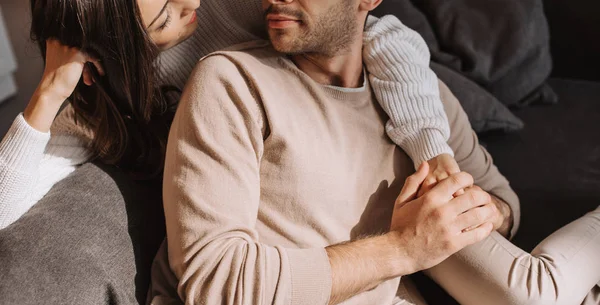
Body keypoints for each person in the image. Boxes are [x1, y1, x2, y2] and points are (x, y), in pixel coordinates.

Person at [136, 0, 600, 305]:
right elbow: (218, 289)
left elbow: (501, 197)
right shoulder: (232, 79)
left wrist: (481, 213)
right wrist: (405, 248)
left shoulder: (419, 95)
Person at [0, 0, 457, 230]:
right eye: (164, 19)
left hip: (405, 105)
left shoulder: (225, 5)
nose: (191, 2)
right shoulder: (95, 115)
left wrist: (430, 146)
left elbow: (375, 32)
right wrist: (48, 93)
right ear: (111, 58)